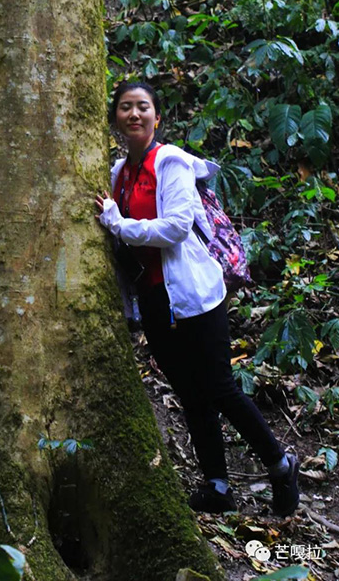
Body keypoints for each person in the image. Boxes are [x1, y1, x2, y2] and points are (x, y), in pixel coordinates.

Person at [95, 81, 300, 516]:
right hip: (154, 300)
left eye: (143, 107)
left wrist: (119, 225)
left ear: (157, 118)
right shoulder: (117, 173)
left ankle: (281, 465)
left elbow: (175, 227)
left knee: (220, 388)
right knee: (190, 393)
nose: (134, 114)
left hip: (195, 296)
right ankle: (218, 487)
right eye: (125, 108)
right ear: (114, 118)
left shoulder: (170, 162)